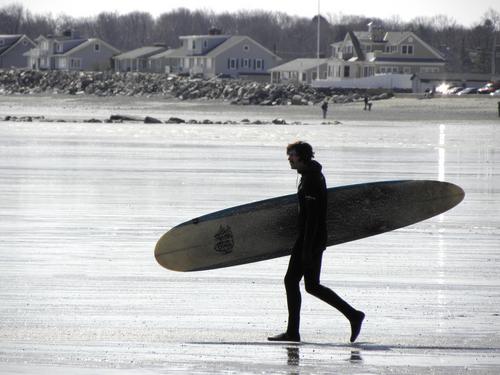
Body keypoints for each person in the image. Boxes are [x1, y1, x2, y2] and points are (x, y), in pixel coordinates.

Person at [268, 141, 365, 343]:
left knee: (291, 281)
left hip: (310, 239)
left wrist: (306, 249)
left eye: (292, 155)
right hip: (314, 239)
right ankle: (353, 315)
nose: (289, 158)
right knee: (312, 285)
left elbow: (313, 218)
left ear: (302, 156)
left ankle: (293, 332)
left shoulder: (312, 179)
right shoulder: (309, 175)